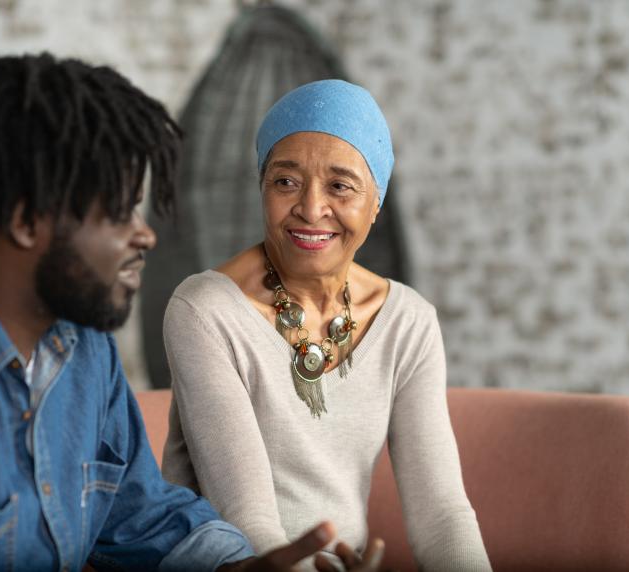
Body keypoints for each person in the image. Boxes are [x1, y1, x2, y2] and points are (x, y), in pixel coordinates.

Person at [0, 55, 384, 571]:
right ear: (27, 220)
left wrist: (240, 568)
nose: (145, 235)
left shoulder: (79, 344)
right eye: (120, 213)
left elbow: (139, 513)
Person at [162, 80, 493, 571]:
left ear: (376, 202)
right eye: (286, 182)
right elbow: (246, 518)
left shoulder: (409, 322)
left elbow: (441, 515)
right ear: (262, 187)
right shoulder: (204, 309)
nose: (311, 208)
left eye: (340, 185)